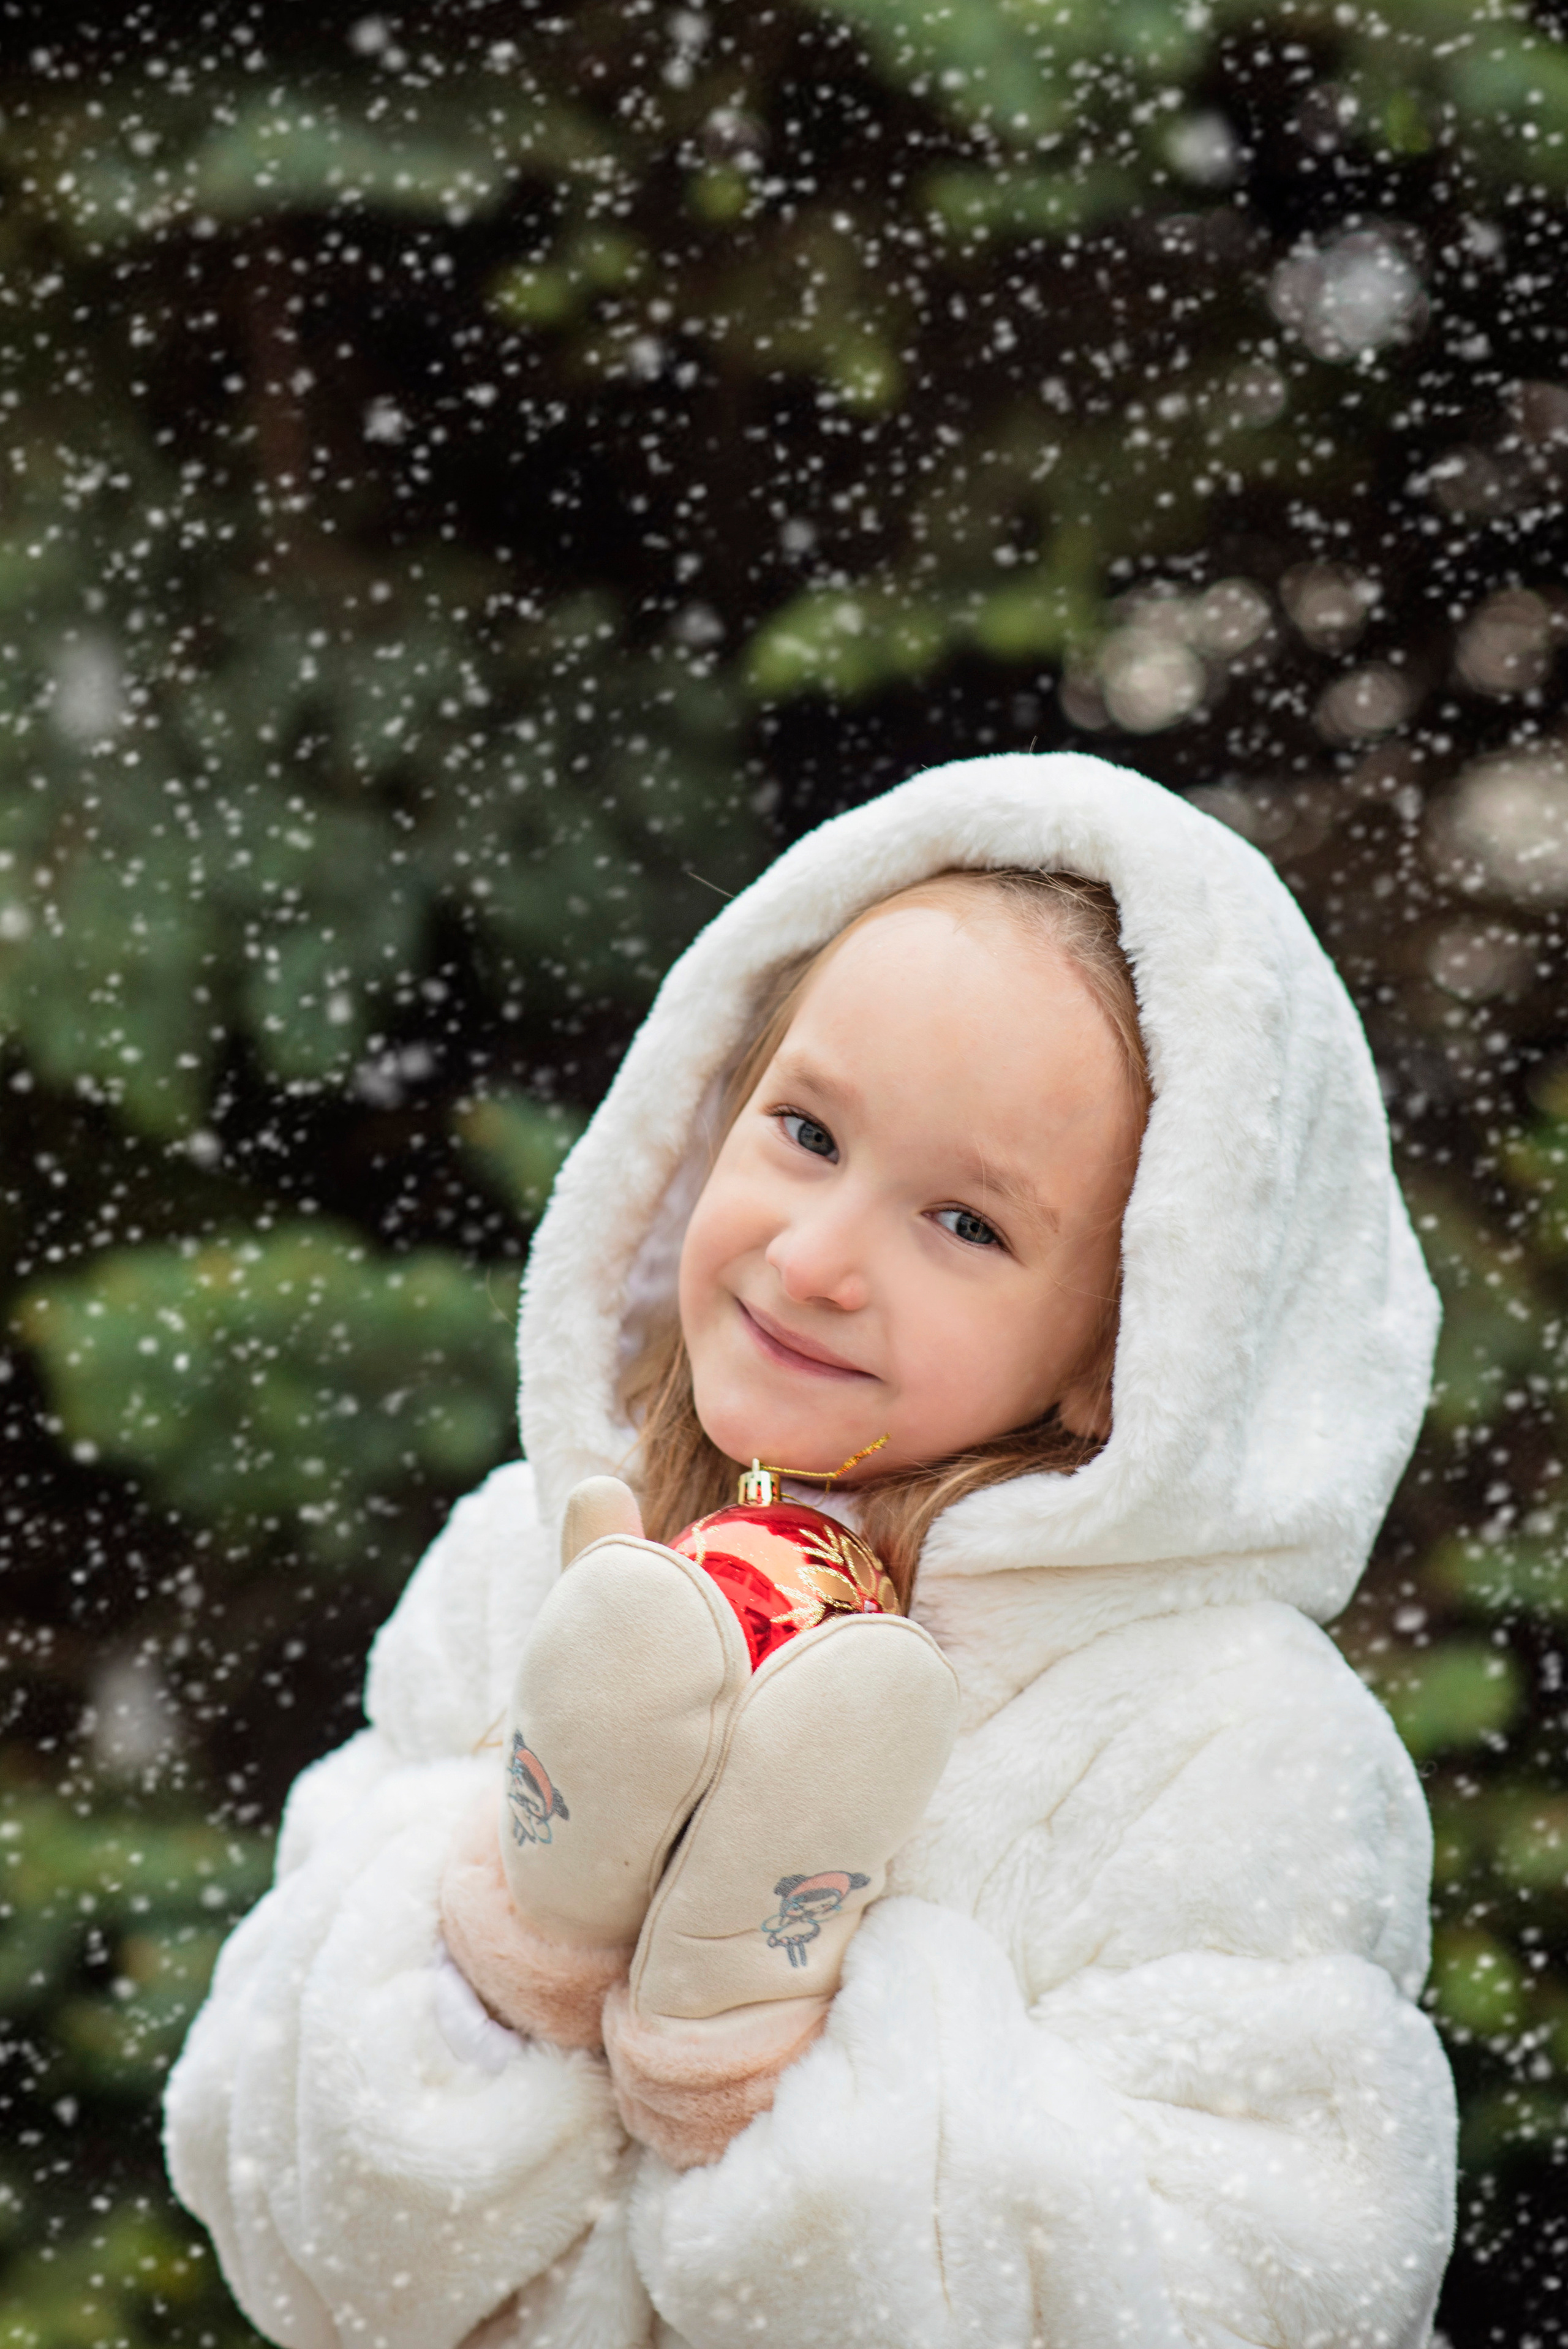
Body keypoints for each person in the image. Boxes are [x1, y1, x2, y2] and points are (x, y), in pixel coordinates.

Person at [165, 752, 1457, 2349]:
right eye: (806, 1130)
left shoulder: (1228, 1739)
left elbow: (1283, 2292)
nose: (819, 1255)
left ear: (1129, 1342)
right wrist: (525, 1930)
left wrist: (768, 2056)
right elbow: (285, 2211)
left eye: (968, 1223)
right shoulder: (541, 1554)